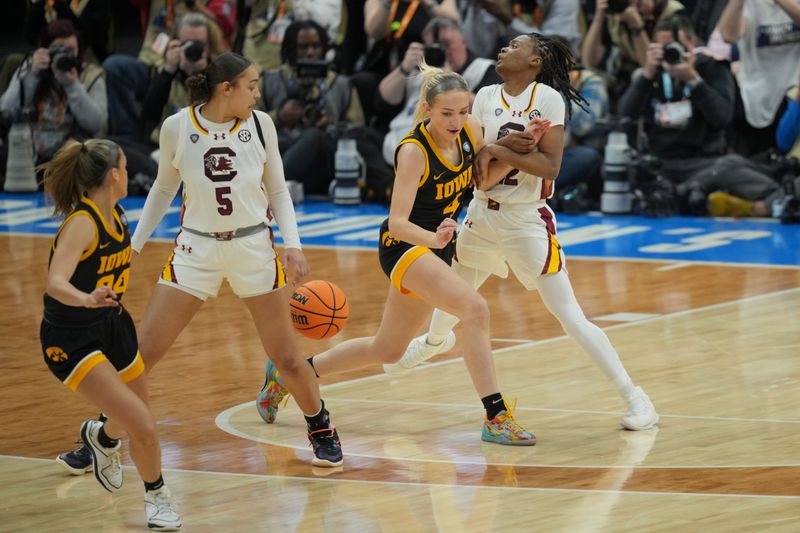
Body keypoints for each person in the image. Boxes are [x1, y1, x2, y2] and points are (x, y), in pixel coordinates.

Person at [57, 52, 344, 472]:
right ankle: (103, 438)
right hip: (196, 251)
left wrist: (293, 243)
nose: (258, 93)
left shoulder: (262, 125)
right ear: (225, 89)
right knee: (141, 355)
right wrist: (132, 247)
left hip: (253, 248)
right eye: (251, 85)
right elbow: (162, 189)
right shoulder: (178, 127)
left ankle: (320, 427)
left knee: (286, 356)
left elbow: (279, 192)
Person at [389, 33, 660, 432]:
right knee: (457, 293)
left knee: (570, 317)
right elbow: (479, 174)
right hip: (482, 215)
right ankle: (433, 344)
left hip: (525, 220)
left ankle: (636, 398)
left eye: (515, 46)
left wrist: (499, 150)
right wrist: (507, 150)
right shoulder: (482, 97)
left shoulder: (548, 100)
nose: (503, 49)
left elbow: (550, 166)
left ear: (535, 61)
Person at [258, 62, 537, 446]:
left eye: (462, 111)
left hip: (435, 246)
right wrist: (434, 239)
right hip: (406, 246)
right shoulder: (413, 152)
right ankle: (496, 415)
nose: (456, 121)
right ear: (426, 109)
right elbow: (396, 223)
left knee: (388, 349)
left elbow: (482, 182)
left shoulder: (470, 131)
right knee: (475, 310)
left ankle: (291, 374)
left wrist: (520, 148)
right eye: (446, 114)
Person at [39, 139, 181, 531]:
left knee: (138, 417)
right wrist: (86, 299)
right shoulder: (82, 223)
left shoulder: (117, 214)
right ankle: (157, 499)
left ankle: (100, 438)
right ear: (113, 175)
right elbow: (54, 283)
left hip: (112, 324)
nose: (128, 171)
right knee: (145, 426)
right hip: (71, 337)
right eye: (123, 164)